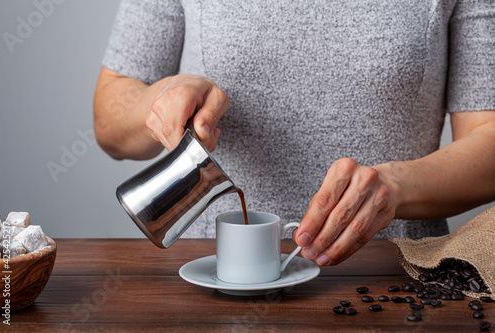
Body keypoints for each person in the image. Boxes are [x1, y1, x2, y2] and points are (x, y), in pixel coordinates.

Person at [94, 0, 495, 266]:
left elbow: (488, 137)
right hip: (207, 279)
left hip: (390, 280)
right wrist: (163, 98)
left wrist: (394, 187)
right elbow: (108, 121)